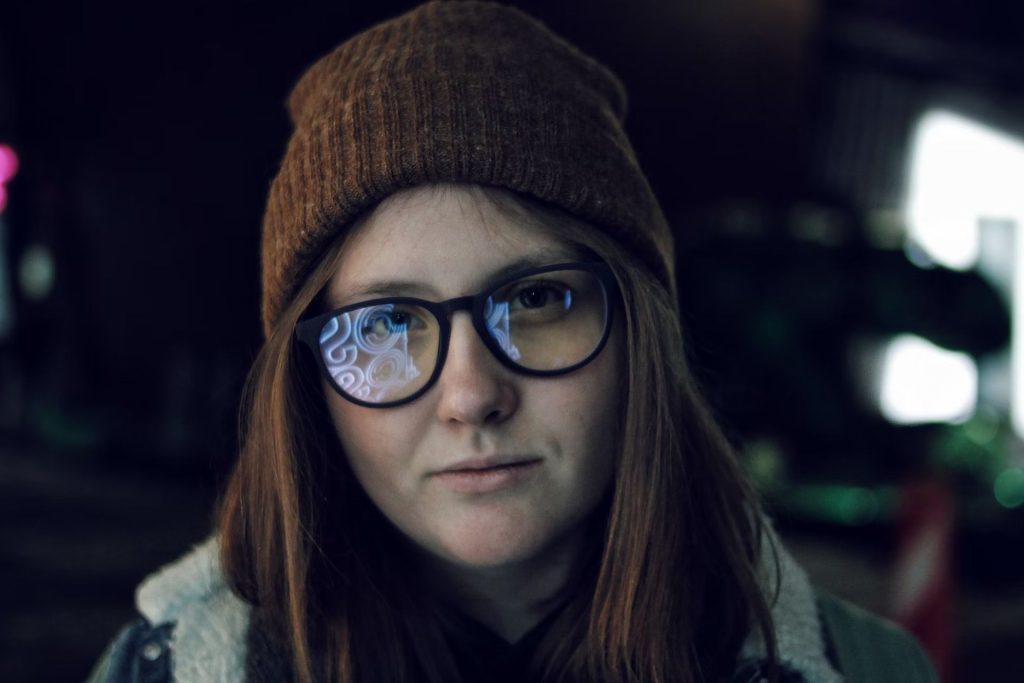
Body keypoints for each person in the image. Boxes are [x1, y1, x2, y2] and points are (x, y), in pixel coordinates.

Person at [87, 2, 938, 682]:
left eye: (538, 299)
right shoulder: (152, 671)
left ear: (640, 336)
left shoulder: (870, 670)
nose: (470, 395)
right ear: (310, 389)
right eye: (385, 323)